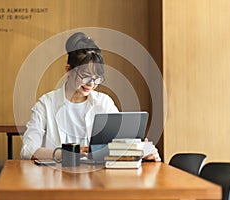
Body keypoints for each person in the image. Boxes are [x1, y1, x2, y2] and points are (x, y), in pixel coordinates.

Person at [20, 32, 161, 162]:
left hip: (98, 180)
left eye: (96, 78)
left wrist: (143, 150)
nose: (91, 84)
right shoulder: (46, 104)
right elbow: (28, 150)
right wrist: (71, 153)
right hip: (55, 178)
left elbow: (122, 143)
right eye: (85, 76)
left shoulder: (104, 103)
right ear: (68, 70)